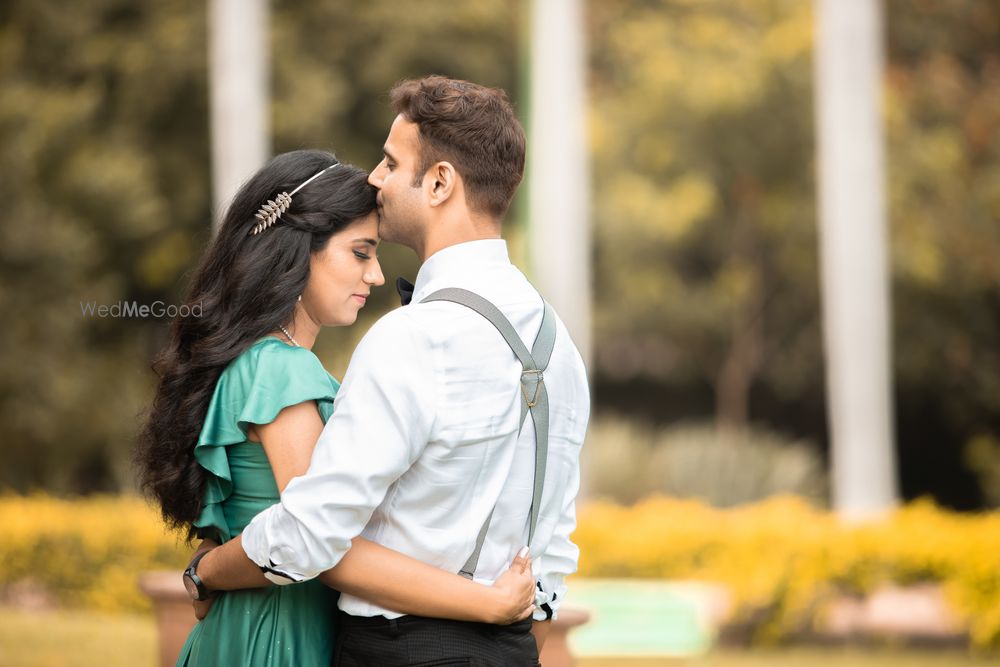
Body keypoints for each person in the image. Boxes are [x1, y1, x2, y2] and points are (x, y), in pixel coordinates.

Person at [194, 76, 590, 666]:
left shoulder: (411, 338)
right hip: (514, 650)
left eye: (389, 161)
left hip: (399, 650)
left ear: (439, 183)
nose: (374, 178)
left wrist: (203, 572)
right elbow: (552, 552)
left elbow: (310, 535)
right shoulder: (560, 346)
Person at [135, 148, 536, 667]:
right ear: (299, 252)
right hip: (279, 637)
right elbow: (314, 542)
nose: (374, 277)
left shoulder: (263, 364)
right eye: (360, 253)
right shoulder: (283, 370)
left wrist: (205, 572)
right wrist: (489, 603)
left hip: (256, 623)